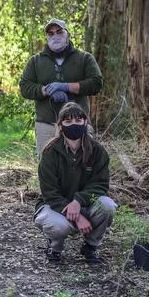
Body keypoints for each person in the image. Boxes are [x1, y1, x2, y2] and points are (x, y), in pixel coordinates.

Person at [34, 102, 116, 264]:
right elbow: (49, 192)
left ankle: (91, 246)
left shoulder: (97, 151)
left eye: (79, 121)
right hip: (55, 207)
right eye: (68, 121)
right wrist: (77, 217)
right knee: (57, 226)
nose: (74, 125)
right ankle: (55, 246)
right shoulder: (50, 152)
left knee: (108, 205)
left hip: (85, 205)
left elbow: (100, 185)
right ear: (60, 125)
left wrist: (78, 201)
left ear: (85, 122)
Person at [19, 18, 103, 157]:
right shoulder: (36, 61)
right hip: (46, 124)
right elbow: (24, 87)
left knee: (83, 161)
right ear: (47, 37)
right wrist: (46, 90)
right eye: (51, 33)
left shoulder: (84, 58)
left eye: (59, 32)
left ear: (67, 34)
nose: (55, 36)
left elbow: (96, 83)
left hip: (77, 122)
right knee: (47, 165)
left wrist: (66, 87)